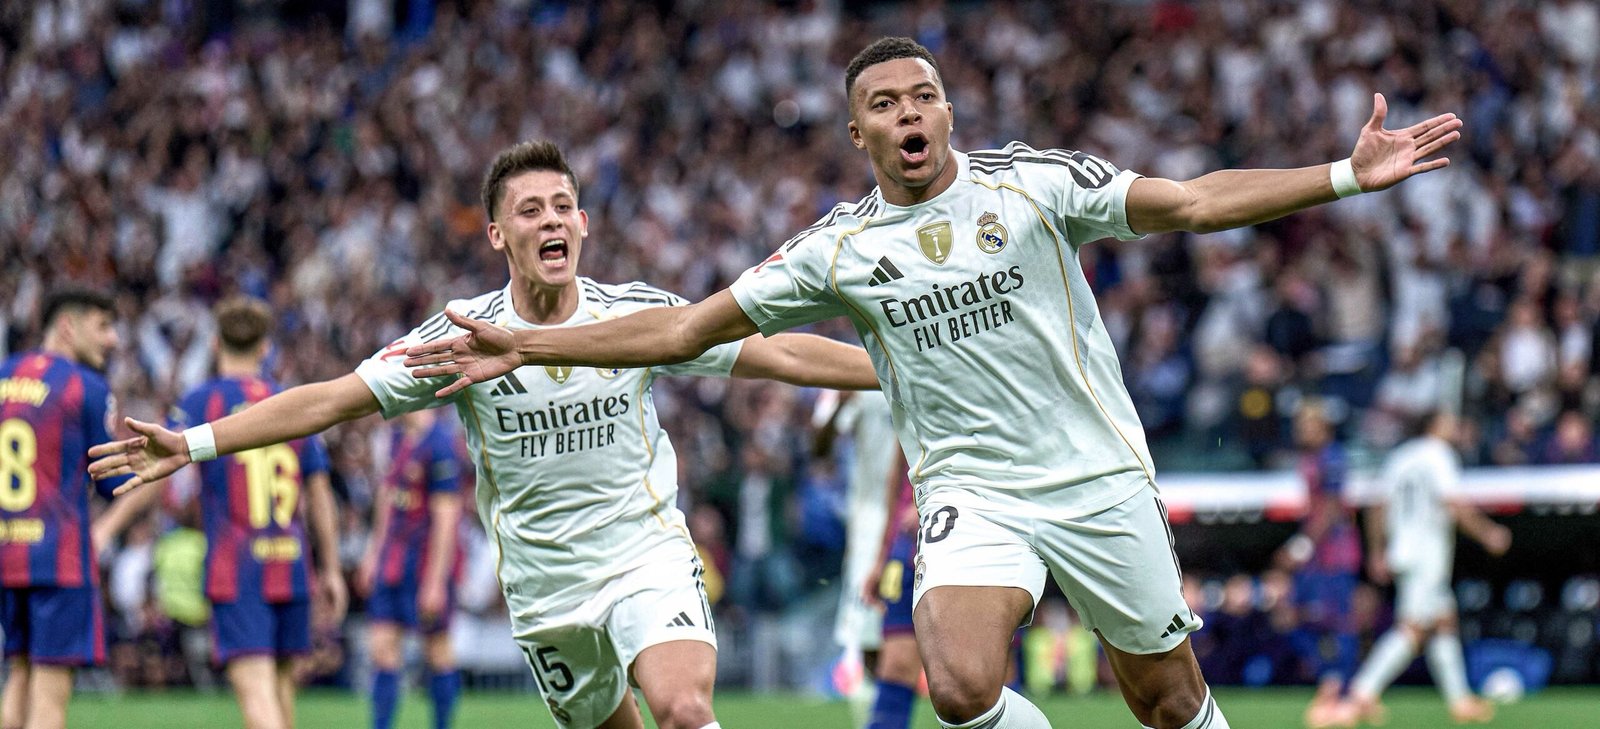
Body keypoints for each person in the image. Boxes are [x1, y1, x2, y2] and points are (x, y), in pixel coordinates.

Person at [398, 37, 1463, 729]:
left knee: (1168, 701)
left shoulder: (1033, 185)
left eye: (923, 95)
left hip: (1095, 475)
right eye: (882, 102)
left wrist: (1338, 176)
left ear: (947, 114)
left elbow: (1186, 203)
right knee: (955, 686)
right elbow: (683, 331)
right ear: (857, 132)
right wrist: (532, 349)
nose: (907, 112)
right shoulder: (835, 249)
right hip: (971, 491)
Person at [87, 140, 880, 729]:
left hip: (646, 554)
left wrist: (892, 371)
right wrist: (193, 443)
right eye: (530, 210)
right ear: (498, 235)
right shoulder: (461, 337)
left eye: (563, 205)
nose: (551, 220)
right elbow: (332, 400)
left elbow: (774, 350)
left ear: (585, 222)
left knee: (683, 708)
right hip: (545, 588)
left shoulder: (639, 314)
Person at [170, 296, 347, 729]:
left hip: (238, 568)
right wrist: (331, 568)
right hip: (290, 561)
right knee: (281, 694)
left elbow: (167, 468)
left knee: (257, 696)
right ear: (265, 348)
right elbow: (319, 492)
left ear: (215, 344)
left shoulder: (199, 403)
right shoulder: (291, 402)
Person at [0, 289, 130, 729]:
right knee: (50, 701)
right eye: (103, 326)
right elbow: (114, 483)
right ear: (68, 326)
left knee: (18, 676)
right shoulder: (86, 387)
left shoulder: (3, 374)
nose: (112, 339)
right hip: (60, 561)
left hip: (7, 556)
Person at [1335, 411, 1510, 726]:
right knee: (1412, 629)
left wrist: (1377, 550)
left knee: (1443, 622)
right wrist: (1488, 533)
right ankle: (1361, 693)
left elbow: (1377, 505)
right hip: (1427, 555)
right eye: (1449, 421)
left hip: (1403, 551)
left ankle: (1460, 700)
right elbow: (1453, 502)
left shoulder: (1400, 456)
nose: (1454, 427)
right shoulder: (1439, 455)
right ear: (1433, 425)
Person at [357, 407, 464, 729]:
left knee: (438, 652)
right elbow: (387, 498)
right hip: (393, 561)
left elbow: (447, 518)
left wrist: (435, 582)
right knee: (381, 649)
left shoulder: (441, 444)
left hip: (425, 564)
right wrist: (372, 554)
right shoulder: (395, 437)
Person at [1281, 401, 1364, 726]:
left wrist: (1302, 546)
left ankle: (1343, 695)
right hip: (1317, 556)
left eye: (1307, 423)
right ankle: (1332, 683)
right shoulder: (1309, 459)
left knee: (1341, 623)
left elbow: (1331, 509)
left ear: (1323, 427)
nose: (1301, 430)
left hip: (1335, 554)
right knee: (1296, 619)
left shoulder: (1332, 458)